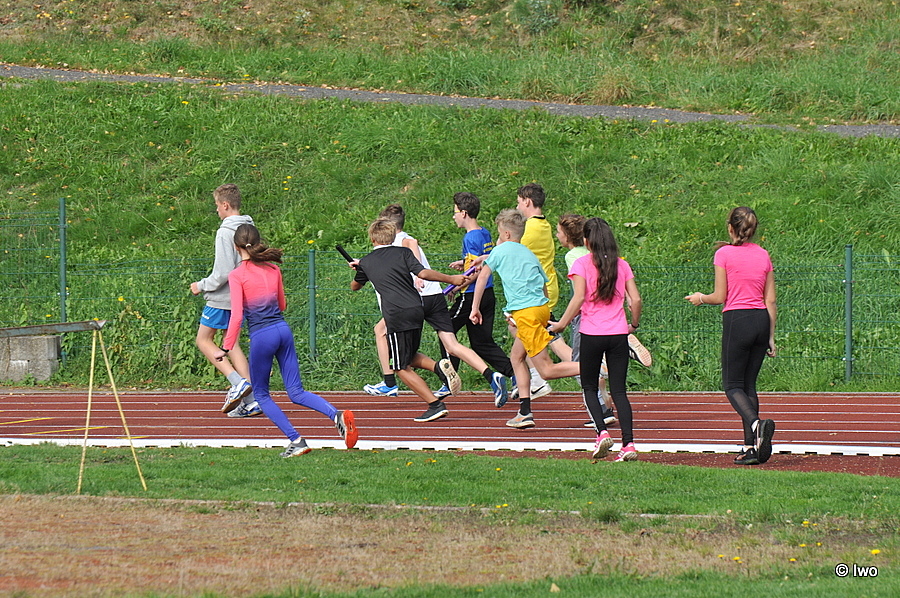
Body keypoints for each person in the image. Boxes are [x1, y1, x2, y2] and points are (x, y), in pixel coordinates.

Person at [212, 223, 358, 458]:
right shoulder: (273, 269)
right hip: (283, 330)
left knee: (261, 395)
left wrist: (226, 347)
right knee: (296, 392)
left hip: (262, 335)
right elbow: (282, 305)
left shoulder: (237, 275)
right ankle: (336, 415)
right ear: (257, 242)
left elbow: (237, 315)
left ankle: (296, 441)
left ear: (235, 247)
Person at [362, 204, 508, 408]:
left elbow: (412, 248)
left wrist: (417, 276)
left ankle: (390, 381)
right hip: (435, 296)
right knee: (452, 345)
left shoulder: (400, 241)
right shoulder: (399, 240)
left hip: (416, 299)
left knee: (383, 334)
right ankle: (491, 375)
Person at [350, 218, 473, 422]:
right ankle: (438, 367)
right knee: (408, 355)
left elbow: (355, 286)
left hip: (396, 314)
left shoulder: (367, 262)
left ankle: (435, 404)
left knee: (399, 367)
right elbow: (423, 273)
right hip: (417, 308)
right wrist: (451, 278)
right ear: (392, 237)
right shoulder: (403, 253)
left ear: (372, 238)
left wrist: (360, 269)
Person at [470, 209, 579, 429]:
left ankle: (594, 365)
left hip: (527, 314)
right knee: (516, 358)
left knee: (546, 370)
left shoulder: (500, 251)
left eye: (499, 233)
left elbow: (482, 277)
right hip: (540, 309)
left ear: (506, 234)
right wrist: (539, 311)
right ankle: (524, 411)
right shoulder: (529, 253)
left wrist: (475, 308)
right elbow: (543, 285)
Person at [685, 206, 777, 466]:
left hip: (738, 320)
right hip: (761, 321)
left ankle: (757, 425)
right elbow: (770, 300)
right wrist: (770, 336)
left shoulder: (723, 254)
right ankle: (751, 448)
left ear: (730, 228)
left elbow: (719, 296)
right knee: (749, 386)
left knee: (732, 385)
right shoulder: (763, 254)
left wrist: (700, 298)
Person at [551, 218, 642, 461]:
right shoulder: (621, 265)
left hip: (592, 333)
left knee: (589, 386)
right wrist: (633, 324)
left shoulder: (581, 264)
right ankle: (629, 444)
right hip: (618, 333)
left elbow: (579, 297)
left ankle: (602, 432)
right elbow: (635, 299)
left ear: (587, 241)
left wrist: (561, 323)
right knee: (619, 391)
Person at [189, 183, 260, 418]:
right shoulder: (249, 226)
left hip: (223, 298)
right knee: (232, 344)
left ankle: (237, 382)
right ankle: (252, 400)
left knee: (203, 340)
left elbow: (222, 272)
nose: (217, 210)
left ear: (225, 205)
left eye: (217, 206)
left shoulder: (225, 231)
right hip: (242, 295)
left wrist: (201, 285)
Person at [434, 192, 515, 398]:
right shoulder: (484, 232)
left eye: (455, 212)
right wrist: (464, 264)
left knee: (445, 330)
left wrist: (456, 286)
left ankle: (449, 379)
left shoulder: (470, 237)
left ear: (464, 213)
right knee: (482, 342)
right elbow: (481, 260)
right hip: (487, 293)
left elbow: (477, 271)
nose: (453, 216)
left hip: (470, 295)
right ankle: (514, 374)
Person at [556, 214, 616, 427]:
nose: (557, 236)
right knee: (585, 359)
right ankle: (603, 403)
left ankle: (601, 409)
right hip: (604, 312)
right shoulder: (595, 253)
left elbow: (579, 292)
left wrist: (566, 319)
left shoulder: (573, 256)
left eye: (558, 232)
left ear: (567, 236)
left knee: (579, 364)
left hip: (584, 313)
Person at [515, 183, 572, 399]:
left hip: (537, 292)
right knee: (522, 332)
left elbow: (509, 250)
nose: (517, 207)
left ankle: (592, 369)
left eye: (519, 202)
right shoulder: (545, 225)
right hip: (545, 287)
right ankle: (536, 378)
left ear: (527, 202)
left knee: (551, 340)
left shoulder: (529, 228)